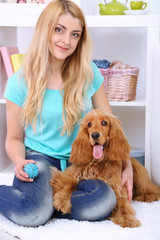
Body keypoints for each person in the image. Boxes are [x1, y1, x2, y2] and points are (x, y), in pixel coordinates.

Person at [0, 0, 133, 227]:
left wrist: (127, 165)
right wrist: (20, 160)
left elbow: (110, 126)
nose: (66, 41)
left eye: (75, 34)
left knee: (105, 201)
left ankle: (43, 206)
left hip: (83, 163)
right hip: (40, 159)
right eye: (59, 30)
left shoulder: (89, 73)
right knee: (30, 213)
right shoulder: (18, 83)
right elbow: (13, 138)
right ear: (45, 29)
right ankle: (37, 206)